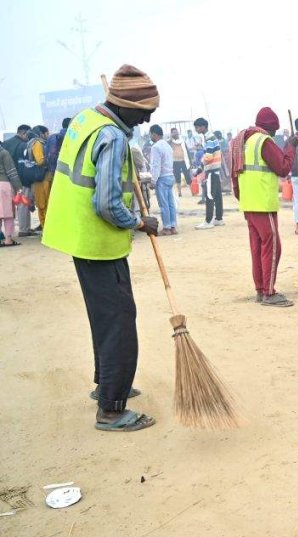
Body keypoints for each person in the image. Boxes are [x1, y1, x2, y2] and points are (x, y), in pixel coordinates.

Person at [42, 64, 162, 432]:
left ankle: (105, 385)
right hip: (98, 241)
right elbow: (108, 204)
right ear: (125, 105)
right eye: (145, 113)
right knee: (120, 323)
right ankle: (111, 408)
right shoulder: (111, 136)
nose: (145, 121)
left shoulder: (85, 120)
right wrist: (141, 222)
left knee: (105, 318)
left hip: (81, 238)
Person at [231, 107, 298, 307]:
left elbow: (235, 175)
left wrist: (240, 196)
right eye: (275, 131)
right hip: (262, 201)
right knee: (272, 245)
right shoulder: (264, 141)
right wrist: (291, 147)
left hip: (249, 202)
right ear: (271, 129)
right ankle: (269, 293)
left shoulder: (243, 141)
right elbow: (283, 167)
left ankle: (261, 290)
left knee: (257, 247)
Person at [192, 117, 224, 229]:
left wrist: (200, 168)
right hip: (215, 170)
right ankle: (219, 218)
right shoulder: (211, 137)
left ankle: (208, 221)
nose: (196, 129)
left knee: (209, 195)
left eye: (197, 127)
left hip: (211, 170)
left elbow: (209, 156)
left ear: (203, 127)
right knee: (217, 196)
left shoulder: (209, 138)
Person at [148, 124, 177, 235]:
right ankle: (173, 226)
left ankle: (166, 227)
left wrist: (153, 181)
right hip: (170, 175)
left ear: (154, 134)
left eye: (150, 134)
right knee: (171, 204)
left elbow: (156, 166)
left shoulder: (156, 147)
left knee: (163, 204)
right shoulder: (167, 145)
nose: (150, 136)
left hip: (162, 178)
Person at [26, 126, 50, 231]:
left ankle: (46, 228)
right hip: (41, 178)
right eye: (47, 133)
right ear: (41, 133)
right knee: (43, 204)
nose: (48, 136)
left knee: (43, 203)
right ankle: (46, 228)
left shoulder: (34, 143)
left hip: (40, 178)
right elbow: (40, 161)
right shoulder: (37, 144)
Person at [0, 144, 23, 246]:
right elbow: (11, 172)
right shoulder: (4, 153)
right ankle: (8, 240)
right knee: (8, 214)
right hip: (3, 185)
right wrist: (18, 187)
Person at [44, 117, 70, 201]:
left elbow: (49, 156)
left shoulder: (52, 137)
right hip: (66, 174)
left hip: (53, 173)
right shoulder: (71, 136)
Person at [168, 127, 192, 196]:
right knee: (177, 177)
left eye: (176, 132)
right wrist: (171, 138)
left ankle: (192, 191)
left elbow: (187, 152)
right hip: (175, 162)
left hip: (183, 161)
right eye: (174, 132)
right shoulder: (170, 142)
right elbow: (168, 145)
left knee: (187, 176)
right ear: (172, 133)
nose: (176, 133)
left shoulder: (182, 141)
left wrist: (190, 162)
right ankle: (179, 192)